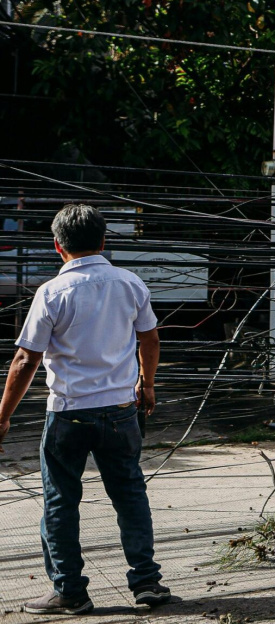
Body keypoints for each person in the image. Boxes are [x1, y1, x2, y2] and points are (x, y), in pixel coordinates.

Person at [0, 204, 170, 615]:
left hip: (68, 413)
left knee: (60, 501)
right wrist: (146, 386)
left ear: (58, 246)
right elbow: (150, 340)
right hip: (121, 411)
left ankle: (69, 590)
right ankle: (147, 583)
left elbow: (26, 360)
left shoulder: (52, 293)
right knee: (130, 495)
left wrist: (2, 415)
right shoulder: (130, 283)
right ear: (104, 241)